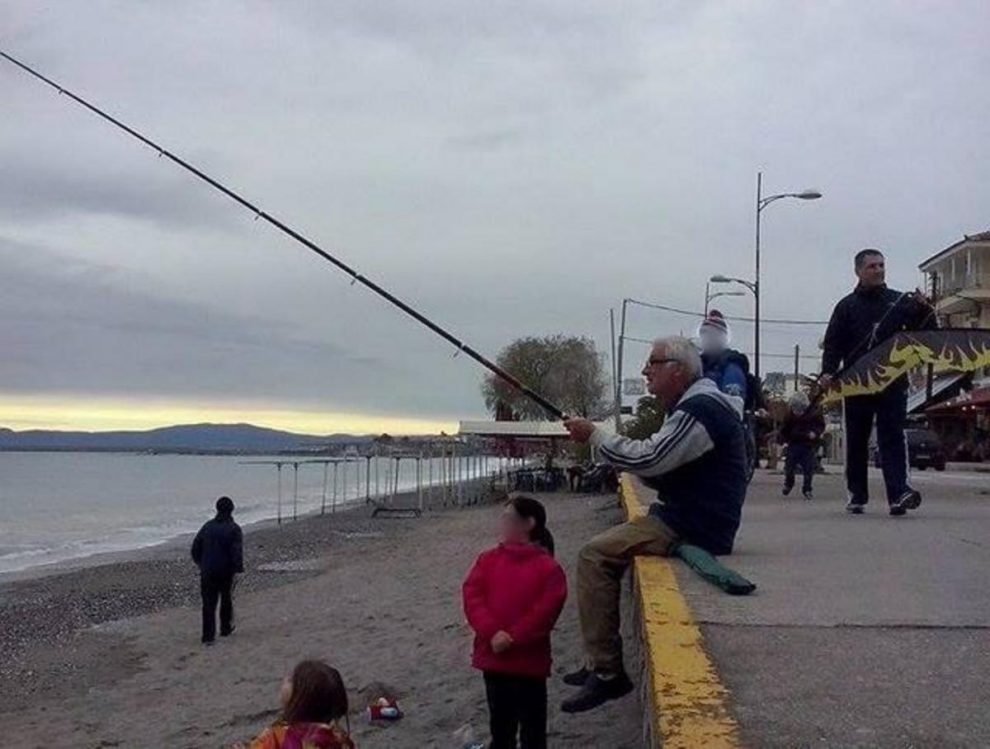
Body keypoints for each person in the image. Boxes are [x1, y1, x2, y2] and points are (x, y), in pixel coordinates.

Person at [561, 336, 747, 713]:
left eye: (653, 363)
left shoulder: (700, 409)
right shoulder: (693, 405)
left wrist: (596, 436)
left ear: (678, 370)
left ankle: (608, 673)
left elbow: (653, 458)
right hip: (689, 514)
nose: (646, 371)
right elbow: (664, 467)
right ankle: (599, 658)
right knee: (600, 551)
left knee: (593, 555)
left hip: (693, 523)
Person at [820, 248, 937, 516]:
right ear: (859, 271)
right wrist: (828, 372)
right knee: (857, 439)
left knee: (893, 436)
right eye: (872, 266)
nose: (879, 270)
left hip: (893, 380)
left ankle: (900, 494)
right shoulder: (846, 306)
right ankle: (857, 494)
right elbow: (833, 343)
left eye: (882, 265)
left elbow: (928, 331)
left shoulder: (899, 302)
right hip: (857, 381)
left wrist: (925, 309)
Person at [462, 495, 568, 749]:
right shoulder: (487, 560)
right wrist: (493, 633)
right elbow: (472, 597)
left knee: (533, 732)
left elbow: (547, 611)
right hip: (494, 658)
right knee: (501, 730)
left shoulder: (548, 568)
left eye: (508, 518)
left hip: (528, 663)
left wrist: (513, 637)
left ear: (528, 523)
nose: (502, 524)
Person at [698, 309, 761, 475]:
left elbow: (733, 402)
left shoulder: (731, 366)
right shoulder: (699, 365)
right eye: (704, 334)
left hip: (719, 432)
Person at [238, 660, 355, 749]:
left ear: (300, 698)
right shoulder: (340, 739)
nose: (284, 679)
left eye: (290, 680)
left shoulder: (278, 736)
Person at [191, 496, 243, 644]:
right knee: (226, 599)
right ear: (231, 510)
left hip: (208, 570)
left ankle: (208, 636)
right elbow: (236, 552)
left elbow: (195, 547)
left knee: (208, 603)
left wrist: (201, 563)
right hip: (226, 570)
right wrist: (238, 569)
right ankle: (225, 628)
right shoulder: (234, 529)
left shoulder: (207, 526)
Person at [778, 391, 825, 499]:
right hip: (793, 444)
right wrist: (781, 439)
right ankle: (789, 483)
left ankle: (807, 489)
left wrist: (815, 433)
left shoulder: (813, 414)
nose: (797, 412)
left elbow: (820, 425)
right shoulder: (789, 416)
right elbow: (784, 429)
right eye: (795, 409)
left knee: (808, 469)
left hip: (807, 445)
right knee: (789, 468)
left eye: (800, 410)